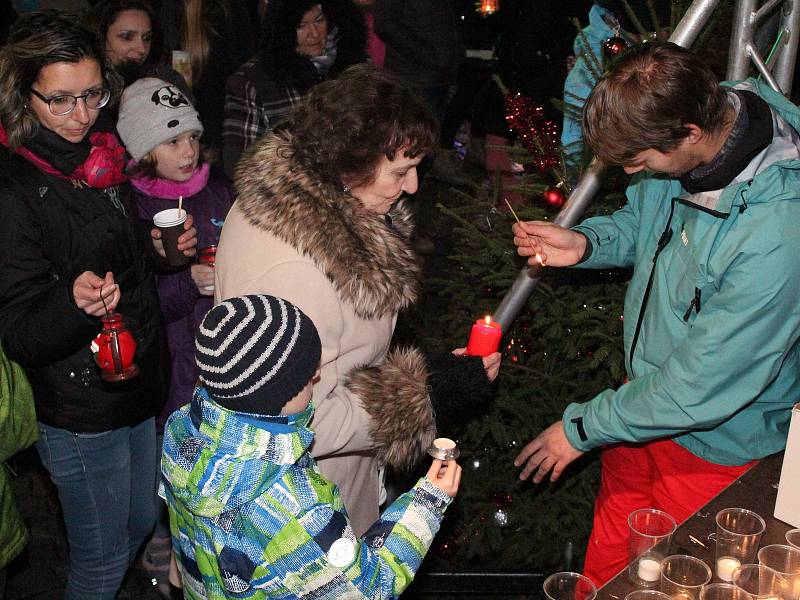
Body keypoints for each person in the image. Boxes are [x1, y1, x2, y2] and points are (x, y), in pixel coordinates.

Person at [512, 41, 800, 586]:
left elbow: (700, 387)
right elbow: (650, 225)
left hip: (716, 447)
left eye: (640, 161)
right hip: (638, 409)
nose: (628, 170)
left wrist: (579, 429)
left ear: (691, 133)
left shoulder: (778, 236)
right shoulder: (701, 124)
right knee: (609, 565)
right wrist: (587, 244)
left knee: (673, 583)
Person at [215, 64, 501, 536]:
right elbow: (301, 416)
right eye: (401, 171)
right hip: (300, 514)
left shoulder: (309, 209)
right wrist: (424, 395)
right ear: (347, 164)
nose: (412, 187)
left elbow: (339, 359)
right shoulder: (297, 272)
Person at [0, 11, 196, 599]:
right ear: (22, 93)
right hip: (80, 405)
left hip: (135, 379)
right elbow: (18, 332)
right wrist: (71, 302)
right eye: (60, 101)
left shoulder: (103, 156)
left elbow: (124, 260)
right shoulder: (12, 190)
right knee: (102, 559)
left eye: (92, 95)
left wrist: (162, 254)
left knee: (138, 526)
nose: (81, 115)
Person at [161, 293, 461, 599]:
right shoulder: (292, 507)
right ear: (277, 395)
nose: (317, 375)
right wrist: (428, 502)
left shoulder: (182, 429)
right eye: (307, 375)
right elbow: (369, 589)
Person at [116, 76, 234, 597]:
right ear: (143, 150)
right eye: (171, 141)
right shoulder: (130, 210)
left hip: (219, 359)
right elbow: (134, 308)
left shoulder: (219, 192)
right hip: (167, 368)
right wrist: (186, 284)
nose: (187, 152)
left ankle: (203, 553)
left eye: (191, 137)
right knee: (169, 467)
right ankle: (163, 540)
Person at [222, 0, 368, 178]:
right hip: (288, 192)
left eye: (319, 20)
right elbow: (238, 165)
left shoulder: (353, 71)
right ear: (283, 31)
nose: (313, 34)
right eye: (301, 26)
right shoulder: (251, 83)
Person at [88, 0, 191, 95]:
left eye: (147, 38)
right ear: (100, 37)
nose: (142, 49)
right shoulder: (83, 82)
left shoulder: (166, 83)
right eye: (127, 37)